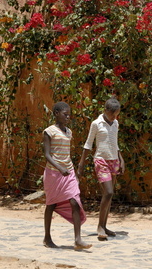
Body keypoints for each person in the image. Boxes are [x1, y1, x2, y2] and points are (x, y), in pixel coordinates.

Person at [43, 101, 92, 250]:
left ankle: (78, 239)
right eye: (65, 114)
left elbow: (67, 154)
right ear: (56, 113)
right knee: (51, 205)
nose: (68, 117)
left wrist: (73, 171)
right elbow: (46, 154)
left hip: (68, 172)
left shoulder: (69, 132)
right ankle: (47, 237)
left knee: (75, 201)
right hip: (53, 174)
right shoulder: (49, 131)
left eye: (69, 114)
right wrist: (58, 167)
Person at [77, 97, 125, 240]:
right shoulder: (96, 124)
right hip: (101, 161)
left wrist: (121, 160)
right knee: (108, 192)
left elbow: (115, 144)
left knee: (109, 195)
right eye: (112, 114)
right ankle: (99, 226)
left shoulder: (115, 123)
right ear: (106, 110)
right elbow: (88, 144)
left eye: (116, 114)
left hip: (114, 160)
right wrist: (81, 164)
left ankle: (104, 226)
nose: (114, 117)